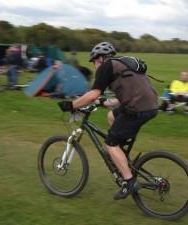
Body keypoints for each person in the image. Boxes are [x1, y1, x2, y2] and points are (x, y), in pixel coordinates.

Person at [58, 42, 159, 200]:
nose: (94, 66)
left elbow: (92, 94)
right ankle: (122, 157)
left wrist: (71, 105)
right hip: (151, 105)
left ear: (100, 59)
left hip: (137, 108)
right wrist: (103, 102)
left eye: (93, 62)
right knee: (112, 116)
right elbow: (123, 96)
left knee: (110, 142)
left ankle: (129, 182)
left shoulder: (106, 66)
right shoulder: (122, 64)